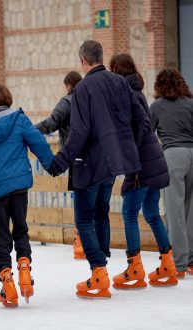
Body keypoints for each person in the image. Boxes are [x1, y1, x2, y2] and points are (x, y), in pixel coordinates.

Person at [48, 40, 146, 298]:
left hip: (88, 165)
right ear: (101, 57)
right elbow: (141, 120)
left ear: (83, 61)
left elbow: (79, 133)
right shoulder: (120, 82)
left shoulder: (82, 90)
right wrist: (128, 148)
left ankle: (98, 272)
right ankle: (101, 263)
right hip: (112, 165)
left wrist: (60, 162)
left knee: (83, 219)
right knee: (101, 213)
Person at [0, 84, 53, 307]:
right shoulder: (19, 118)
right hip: (19, 185)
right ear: (7, 99)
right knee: (20, 228)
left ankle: (7, 285)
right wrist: (51, 165)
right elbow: (37, 141)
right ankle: (25, 272)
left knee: (2, 236)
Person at [109, 54, 177, 289]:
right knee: (151, 213)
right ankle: (168, 263)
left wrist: (130, 155)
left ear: (116, 70)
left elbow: (138, 127)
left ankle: (134, 268)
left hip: (141, 164)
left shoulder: (126, 91)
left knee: (129, 212)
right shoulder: (136, 89)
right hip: (153, 161)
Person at [35, 71, 85, 260]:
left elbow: (51, 122)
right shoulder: (89, 99)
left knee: (80, 198)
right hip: (96, 157)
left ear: (69, 85)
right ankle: (94, 241)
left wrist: (30, 132)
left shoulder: (68, 101)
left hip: (75, 156)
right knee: (94, 200)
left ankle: (81, 240)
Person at [150, 68, 193, 278]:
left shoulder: (157, 106)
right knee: (191, 211)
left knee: (174, 211)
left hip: (173, 156)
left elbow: (146, 133)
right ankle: (192, 261)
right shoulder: (190, 103)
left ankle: (178, 263)